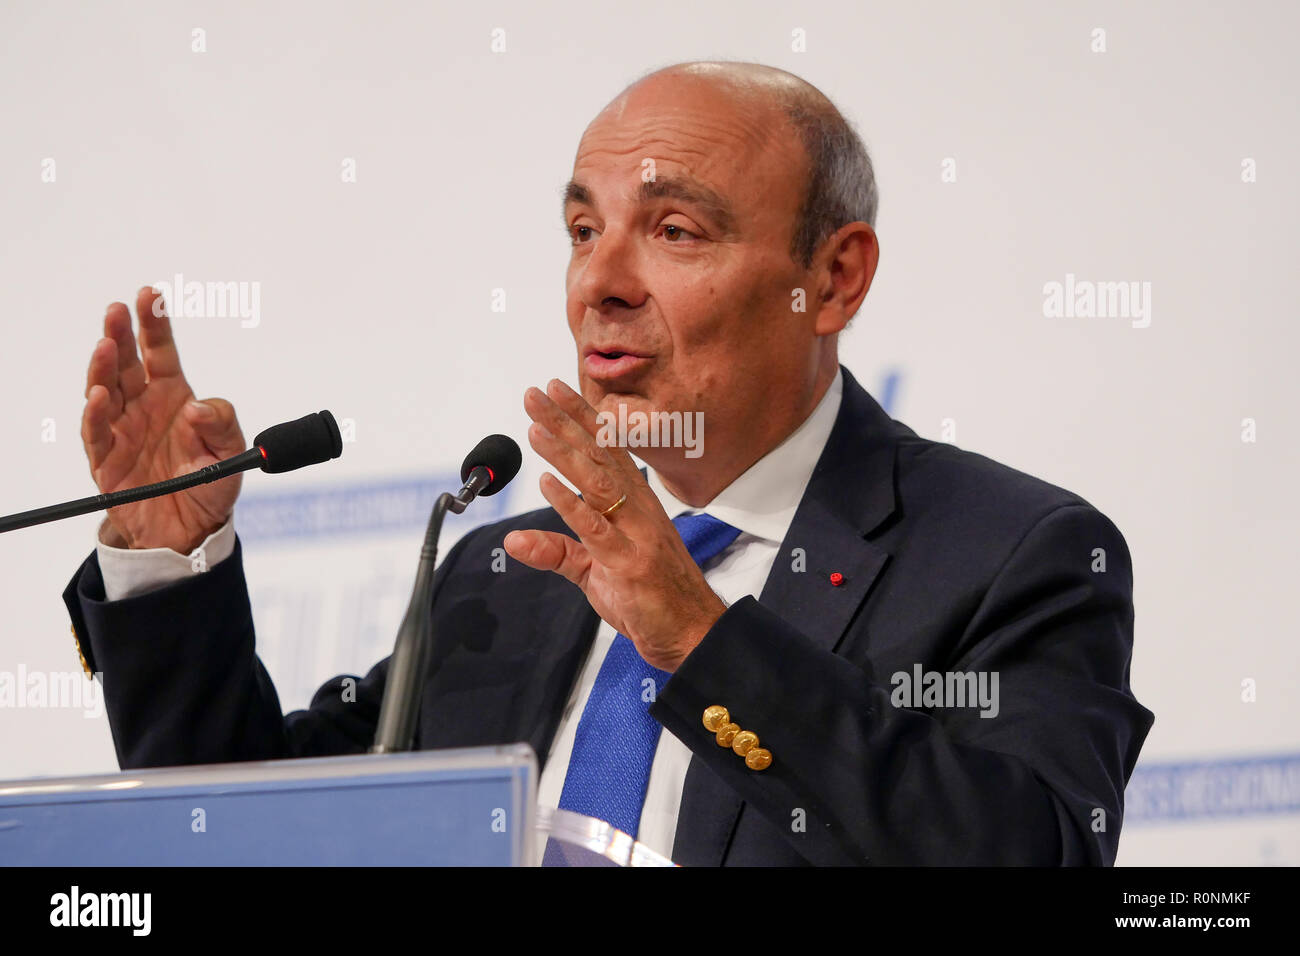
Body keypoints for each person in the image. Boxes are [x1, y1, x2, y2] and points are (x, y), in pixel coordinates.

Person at [65, 61, 1153, 865]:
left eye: (674, 231)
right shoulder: (511, 573)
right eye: (584, 230)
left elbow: (1033, 852)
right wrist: (171, 565)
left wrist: (701, 638)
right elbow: (254, 840)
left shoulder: (1007, 557)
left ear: (830, 279)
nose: (600, 283)